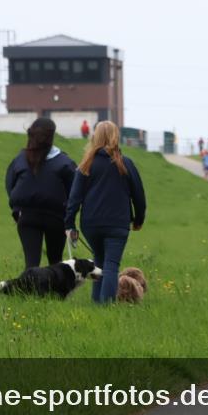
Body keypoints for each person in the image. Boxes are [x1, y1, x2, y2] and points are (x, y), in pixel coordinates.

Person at [65, 121, 147, 304]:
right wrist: (138, 219)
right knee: (111, 265)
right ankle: (106, 306)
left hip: (91, 224)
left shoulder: (86, 165)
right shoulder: (126, 164)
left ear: (95, 137)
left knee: (99, 263)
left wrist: (69, 224)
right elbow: (139, 196)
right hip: (118, 224)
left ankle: (97, 303)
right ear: (115, 137)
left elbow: (74, 198)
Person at [5, 118, 77, 269]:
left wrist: (17, 209)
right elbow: (74, 192)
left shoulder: (20, 160)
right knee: (55, 262)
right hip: (56, 218)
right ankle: (54, 292)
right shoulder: (65, 162)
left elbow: (10, 184)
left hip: (27, 216)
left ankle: (29, 292)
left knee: (31, 264)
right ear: (51, 136)